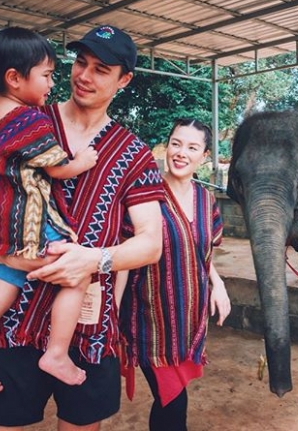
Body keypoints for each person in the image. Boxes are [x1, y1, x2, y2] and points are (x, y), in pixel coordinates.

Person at [0, 24, 165, 430]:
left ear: (125, 80)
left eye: (101, 69)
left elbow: (150, 244)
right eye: (80, 63)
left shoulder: (133, 153)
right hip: (13, 322)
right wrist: (5, 256)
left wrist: (91, 260)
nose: (83, 75)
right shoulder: (19, 120)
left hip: (88, 331)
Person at [0, 27, 99, 393]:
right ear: (15, 78)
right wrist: (84, 160)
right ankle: (56, 353)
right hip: (30, 229)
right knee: (77, 276)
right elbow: (57, 167)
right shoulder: (29, 120)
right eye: (46, 75)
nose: (51, 83)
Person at [119, 117, 231, 431]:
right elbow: (124, 256)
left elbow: (203, 254)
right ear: (167, 147)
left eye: (192, 147)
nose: (181, 153)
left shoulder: (206, 200)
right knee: (173, 401)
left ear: (205, 156)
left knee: (171, 401)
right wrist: (110, 313)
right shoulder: (145, 194)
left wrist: (218, 285)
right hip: (149, 323)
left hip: (188, 323)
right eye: (176, 144)